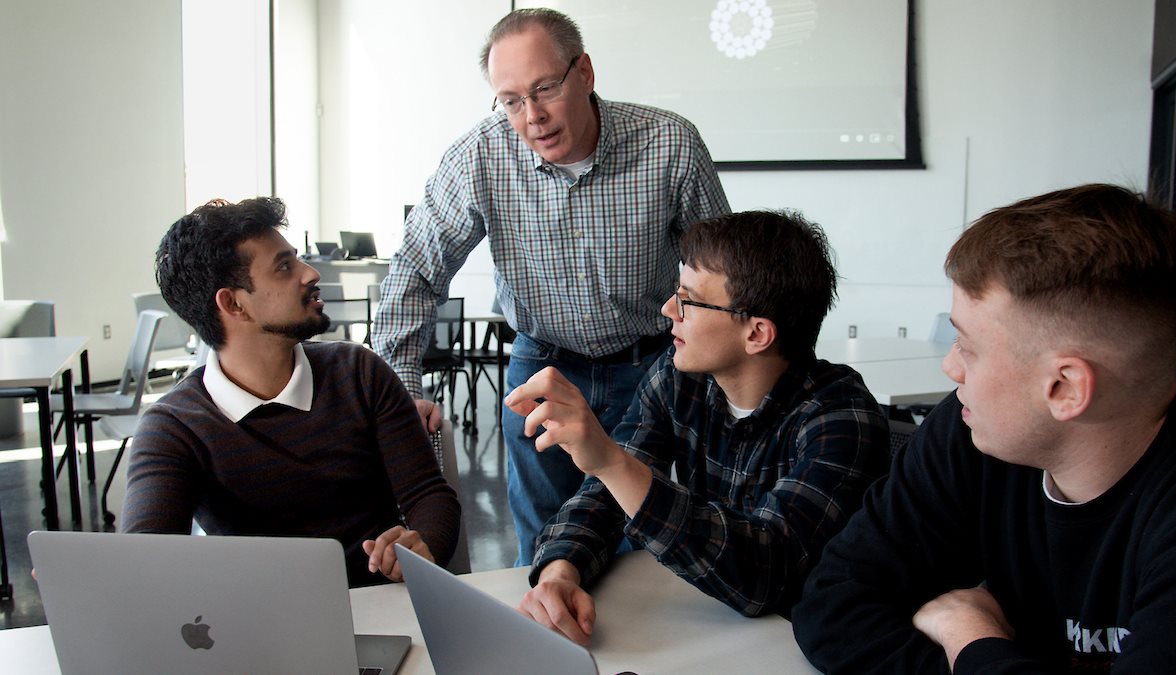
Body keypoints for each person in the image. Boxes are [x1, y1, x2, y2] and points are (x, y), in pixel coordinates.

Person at [793, 184, 1176, 673]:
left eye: (967, 347)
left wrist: (970, 639)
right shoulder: (969, 427)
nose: (951, 367)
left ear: (1065, 388)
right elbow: (831, 602)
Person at [375, 8, 730, 564]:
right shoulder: (479, 156)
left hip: (652, 367)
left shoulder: (669, 144)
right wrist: (406, 388)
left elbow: (721, 274)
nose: (532, 116)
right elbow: (416, 269)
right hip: (541, 366)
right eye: (511, 100)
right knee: (542, 543)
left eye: (544, 89)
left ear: (584, 72)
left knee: (644, 538)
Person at [506, 210, 890, 645]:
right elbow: (605, 498)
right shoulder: (678, 377)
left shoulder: (840, 419)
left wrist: (612, 463)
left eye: (688, 299)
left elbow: (765, 576)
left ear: (757, 333)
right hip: (709, 632)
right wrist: (560, 572)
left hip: (802, 649)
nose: (669, 309)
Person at [121, 197, 461, 587]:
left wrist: (422, 547)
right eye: (284, 267)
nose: (310, 273)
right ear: (233, 304)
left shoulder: (360, 372)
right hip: (262, 626)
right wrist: (106, 578)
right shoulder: (176, 427)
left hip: (382, 608)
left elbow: (429, 495)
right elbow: (146, 556)